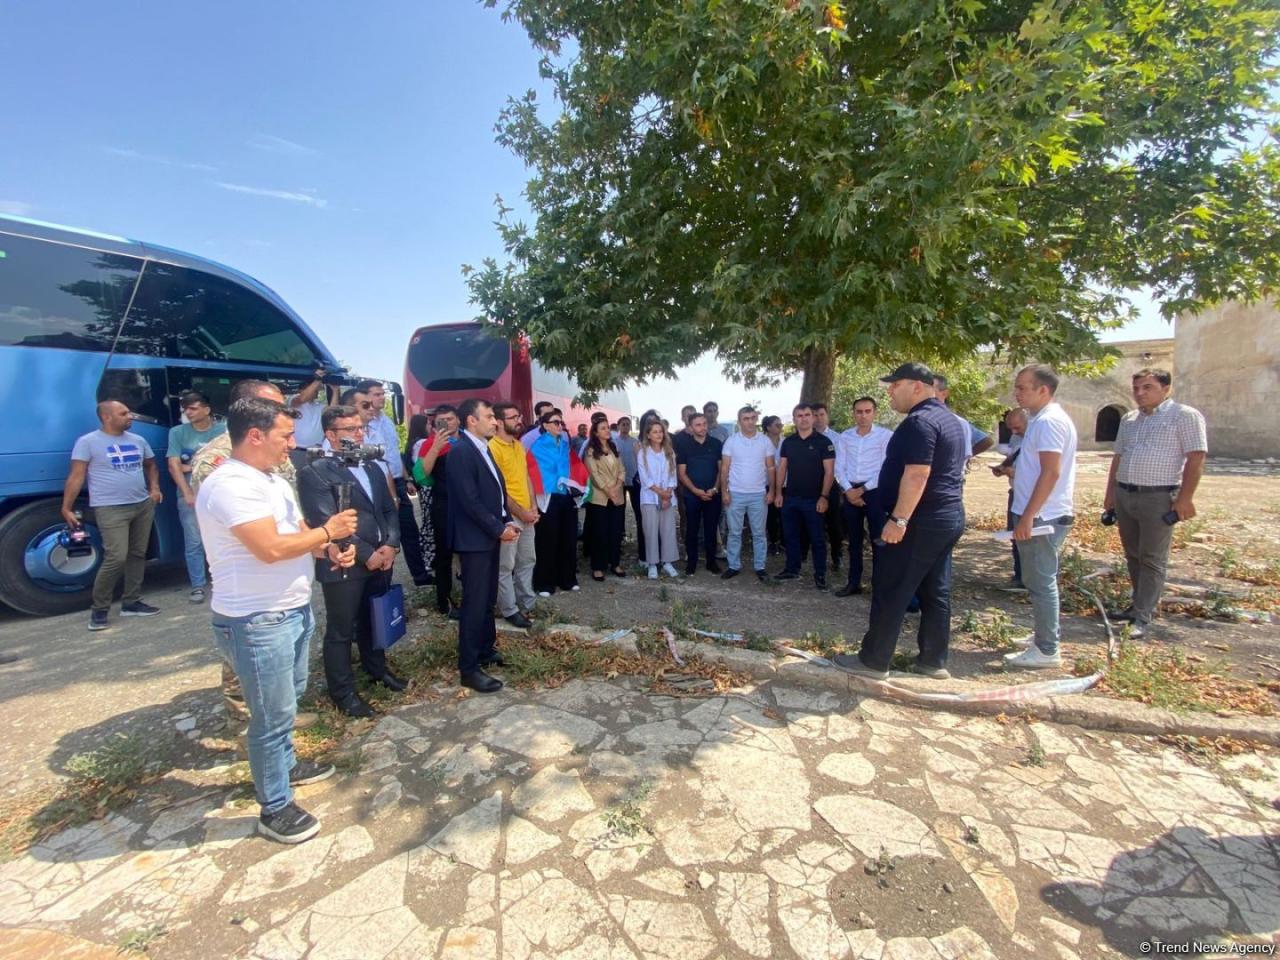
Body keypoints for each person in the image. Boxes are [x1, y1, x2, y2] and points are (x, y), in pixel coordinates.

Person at [196, 397, 358, 843]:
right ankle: (275, 807)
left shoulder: (270, 480)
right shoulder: (231, 484)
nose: (292, 443)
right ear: (254, 435)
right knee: (269, 715)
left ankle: (286, 767)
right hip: (256, 618)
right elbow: (267, 548)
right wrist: (330, 532)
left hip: (290, 609)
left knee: (289, 700)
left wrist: (327, 548)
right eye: (284, 435)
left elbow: (294, 535)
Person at [834, 363, 968, 681]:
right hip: (946, 516)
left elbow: (918, 473)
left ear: (918, 386)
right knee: (935, 590)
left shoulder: (919, 423)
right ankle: (933, 661)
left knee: (891, 586)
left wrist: (899, 519)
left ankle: (874, 660)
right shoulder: (950, 420)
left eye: (896, 385)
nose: (890, 391)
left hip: (919, 521)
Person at [191, 379, 302, 736]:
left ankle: (278, 724)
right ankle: (247, 732)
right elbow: (242, 529)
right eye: (274, 406)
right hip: (249, 597)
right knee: (243, 674)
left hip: (283, 583)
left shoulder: (272, 452)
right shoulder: (219, 461)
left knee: (278, 684)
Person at [298, 405, 407, 718]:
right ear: (331, 435)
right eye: (350, 430)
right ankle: (343, 693)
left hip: (381, 557)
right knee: (341, 629)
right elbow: (324, 520)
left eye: (360, 428)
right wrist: (366, 554)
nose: (359, 434)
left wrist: (390, 545)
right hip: (344, 562)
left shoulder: (372, 467)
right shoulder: (314, 472)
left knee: (374, 621)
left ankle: (378, 671)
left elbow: (388, 509)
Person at [1103, 368, 1207, 639]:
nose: (1140, 393)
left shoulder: (1184, 416)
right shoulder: (1129, 419)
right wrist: (1110, 494)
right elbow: (1118, 457)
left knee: (1152, 557)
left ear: (1166, 389)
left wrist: (1185, 499)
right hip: (1126, 494)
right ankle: (1138, 604)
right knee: (1133, 554)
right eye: (1137, 387)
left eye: (1147, 387)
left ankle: (1142, 615)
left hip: (1158, 497)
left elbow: (1196, 458)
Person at [62, 401, 164, 630]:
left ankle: (131, 602)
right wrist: (66, 507)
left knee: (137, 554)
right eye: (124, 413)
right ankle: (99, 610)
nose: (131, 416)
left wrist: (154, 488)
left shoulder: (138, 441)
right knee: (116, 556)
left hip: (141, 505)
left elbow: (151, 466)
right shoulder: (88, 442)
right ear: (107, 417)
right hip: (110, 508)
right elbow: (76, 476)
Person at [1003, 366, 1077, 669]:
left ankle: (1047, 650)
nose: (1017, 393)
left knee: (1042, 580)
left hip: (1043, 516)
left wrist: (1028, 517)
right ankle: (1042, 636)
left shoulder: (1049, 422)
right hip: (1035, 512)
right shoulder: (1039, 420)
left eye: (1023, 388)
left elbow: (1050, 472)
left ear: (1043, 390)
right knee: (1035, 579)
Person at [449, 398, 521, 693]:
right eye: (490, 417)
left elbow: (494, 494)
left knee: (487, 599)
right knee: (474, 602)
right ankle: (469, 668)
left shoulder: (482, 448)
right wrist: (497, 528)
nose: (495, 422)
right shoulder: (461, 452)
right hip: (474, 540)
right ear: (471, 421)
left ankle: (485, 650)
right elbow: (470, 501)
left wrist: (505, 521)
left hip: (488, 536)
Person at [359, 380, 431, 587]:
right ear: (365, 398)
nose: (382, 397)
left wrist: (407, 477)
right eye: (376, 394)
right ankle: (382, 587)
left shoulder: (387, 421)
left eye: (383, 394)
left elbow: (394, 454)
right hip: (380, 486)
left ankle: (420, 576)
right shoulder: (363, 426)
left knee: (409, 532)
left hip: (398, 482)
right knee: (385, 536)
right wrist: (391, 494)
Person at [167, 391, 227, 603]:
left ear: (206, 409)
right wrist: (187, 492)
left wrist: (190, 465)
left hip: (220, 491)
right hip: (190, 491)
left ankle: (224, 580)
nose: (188, 412)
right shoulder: (177, 432)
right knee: (193, 540)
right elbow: (173, 465)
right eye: (185, 409)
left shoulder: (223, 430)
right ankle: (198, 585)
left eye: (193, 408)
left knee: (225, 535)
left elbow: (228, 459)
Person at [833, 396, 892, 597]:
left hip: (875, 492)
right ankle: (853, 582)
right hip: (850, 491)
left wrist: (863, 490)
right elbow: (839, 466)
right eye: (859, 411)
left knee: (879, 540)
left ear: (874, 412)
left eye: (867, 411)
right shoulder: (845, 436)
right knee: (854, 540)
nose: (863, 415)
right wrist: (849, 490)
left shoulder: (885, 436)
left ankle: (880, 585)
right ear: (854, 413)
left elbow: (886, 468)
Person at [774, 402, 836, 590]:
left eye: (807, 415)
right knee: (791, 536)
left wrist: (824, 497)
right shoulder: (788, 442)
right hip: (791, 497)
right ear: (794, 420)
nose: (804, 418)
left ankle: (820, 574)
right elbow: (782, 468)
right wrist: (778, 493)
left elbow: (829, 472)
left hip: (814, 499)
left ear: (813, 417)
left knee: (817, 539)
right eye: (799, 416)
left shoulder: (824, 442)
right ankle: (792, 568)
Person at [490, 402, 538, 627]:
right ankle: (510, 609)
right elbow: (499, 490)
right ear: (499, 422)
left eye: (518, 416)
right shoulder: (492, 448)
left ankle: (527, 604)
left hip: (528, 514)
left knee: (528, 560)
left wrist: (534, 507)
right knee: (505, 566)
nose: (519, 421)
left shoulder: (518, 445)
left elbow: (526, 477)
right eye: (513, 417)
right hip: (509, 516)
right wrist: (521, 512)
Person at [529, 409, 583, 595]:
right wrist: (559, 480)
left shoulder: (564, 444)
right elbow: (538, 472)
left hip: (566, 495)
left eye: (561, 422)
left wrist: (572, 483)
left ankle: (567, 579)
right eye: (555, 422)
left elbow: (571, 467)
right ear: (544, 425)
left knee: (568, 538)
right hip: (549, 496)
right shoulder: (538, 446)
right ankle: (545, 583)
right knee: (547, 540)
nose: (559, 426)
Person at [720, 406, 775, 581]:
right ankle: (733, 565)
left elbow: (771, 467)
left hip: (758, 494)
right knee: (734, 533)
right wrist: (724, 492)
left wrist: (772, 490)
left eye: (752, 417)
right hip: (735, 494)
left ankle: (760, 567)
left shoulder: (765, 441)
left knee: (759, 533)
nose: (750, 421)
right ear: (739, 421)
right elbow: (725, 468)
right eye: (746, 418)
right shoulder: (731, 441)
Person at [417, 404, 461, 618]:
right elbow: (421, 476)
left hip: (469, 508)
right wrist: (436, 447)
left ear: (459, 420)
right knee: (444, 556)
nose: (447, 423)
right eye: (441, 421)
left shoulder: (471, 441)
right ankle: (445, 601)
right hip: (444, 506)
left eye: (450, 418)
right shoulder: (428, 444)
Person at [675, 413, 723, 574]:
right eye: (698, 425)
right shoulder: (684, 446)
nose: (702, 427)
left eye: (704, 424)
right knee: (692, 530)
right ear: (690, 427)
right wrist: (696, 491)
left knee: (711, 529)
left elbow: (721, 470)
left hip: (713, 494)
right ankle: (692, 563)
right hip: (692, 496)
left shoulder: (716, 444)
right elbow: (682, 473)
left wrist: (715, 488)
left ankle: (711, 562)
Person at [583, 418, 627, 580]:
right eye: (603, 428)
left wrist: (616, 488)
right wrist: (609, 491)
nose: (607, 430)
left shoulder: (614, 447)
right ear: (595, 432)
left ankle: (615, 563)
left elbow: (622, 470)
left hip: (617, 496)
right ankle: (598, 567)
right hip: (600, 498)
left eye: (608, 428)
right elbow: (594, 474)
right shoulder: (590, 451)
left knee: (615, 532)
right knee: (599, 533)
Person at [637, 419, 680, 579]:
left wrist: (667, 494)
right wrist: (661, 494)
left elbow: (672, 475)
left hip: (668, 497)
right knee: (650, 531)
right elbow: (645, 478)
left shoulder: (669, 452)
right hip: (650, 498)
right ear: (648, 435)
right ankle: (652, 564)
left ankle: (667, 562)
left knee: (668, 530)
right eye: (654, 432)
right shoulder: (643, 453)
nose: (659, 434)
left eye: (660, 431)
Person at [991, 409, 1029, 591]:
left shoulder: (1038, 437)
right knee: (1014, 535)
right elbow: (1012, 458)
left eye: (1017, 427)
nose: (1013, 432)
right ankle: (1019, 575)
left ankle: (1031, 580)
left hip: (1031, 494)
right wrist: (1002, 467)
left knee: (1030, 537)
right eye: (1010, 428)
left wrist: (1015, 473)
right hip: (1015, 492)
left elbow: (1043, 472)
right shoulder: (1016, 439)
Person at [404, 414, 437, 585]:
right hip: (428, 486)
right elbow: (423, 468)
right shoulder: (422, 443)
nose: (430, 426)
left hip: (424, 488)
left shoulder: (413, 442)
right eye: (429, 423)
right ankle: (430, 559)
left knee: (427, 522)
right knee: (430, 524)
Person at [812, 402, 845, 572]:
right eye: (815, 415)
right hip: (810, 488)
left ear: (827, 416)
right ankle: (813, 557)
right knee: (812, 523)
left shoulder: (837, 438)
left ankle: (836, 556)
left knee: (834, 523)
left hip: (832, 487)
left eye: (821, 415)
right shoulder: (804, 437)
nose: (818, 419)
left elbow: (841, 465)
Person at [933, 374, 995, 457]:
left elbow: (987, 441)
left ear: (945, 393)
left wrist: (962, 458)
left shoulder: (958, 422)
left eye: (931, 390)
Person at [615, 416, 644, 560]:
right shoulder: (614, 442)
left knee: (638, 510)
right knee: (619, 511)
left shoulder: (635, 442)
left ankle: (642, 541)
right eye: (623, 424)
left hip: (633, 480)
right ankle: (620, 538)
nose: (626, 426)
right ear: (619, 426)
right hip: (619, 481)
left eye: (627, 424)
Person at [289, 369, 331, 448]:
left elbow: (333, 410)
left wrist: (335, 390)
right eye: (315, 390)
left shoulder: (319, 407)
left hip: (316, 449)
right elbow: (302, 398)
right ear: (302, 390)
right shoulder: (294, 401)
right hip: (297, 448)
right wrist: (318, 380)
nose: (317, 391)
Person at [762, 415, 785, 556]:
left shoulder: (786, 441)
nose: (780, 426)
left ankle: (784, 541)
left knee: (784, 513)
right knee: (770, 514)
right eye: (777, 424)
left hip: (784, 483)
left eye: (780, 424)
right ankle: (773, 542)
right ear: (768, 427)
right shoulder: (762, 442)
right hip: (766, 483)